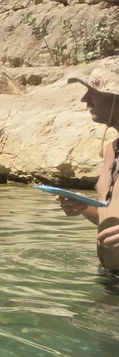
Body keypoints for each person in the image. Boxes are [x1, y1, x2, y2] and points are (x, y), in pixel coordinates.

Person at [54, 59, 119, 276]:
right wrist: (84, 207)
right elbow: (110, 217)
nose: (85, 98)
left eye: (94, 90)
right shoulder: (112, 150)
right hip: (109, 278)